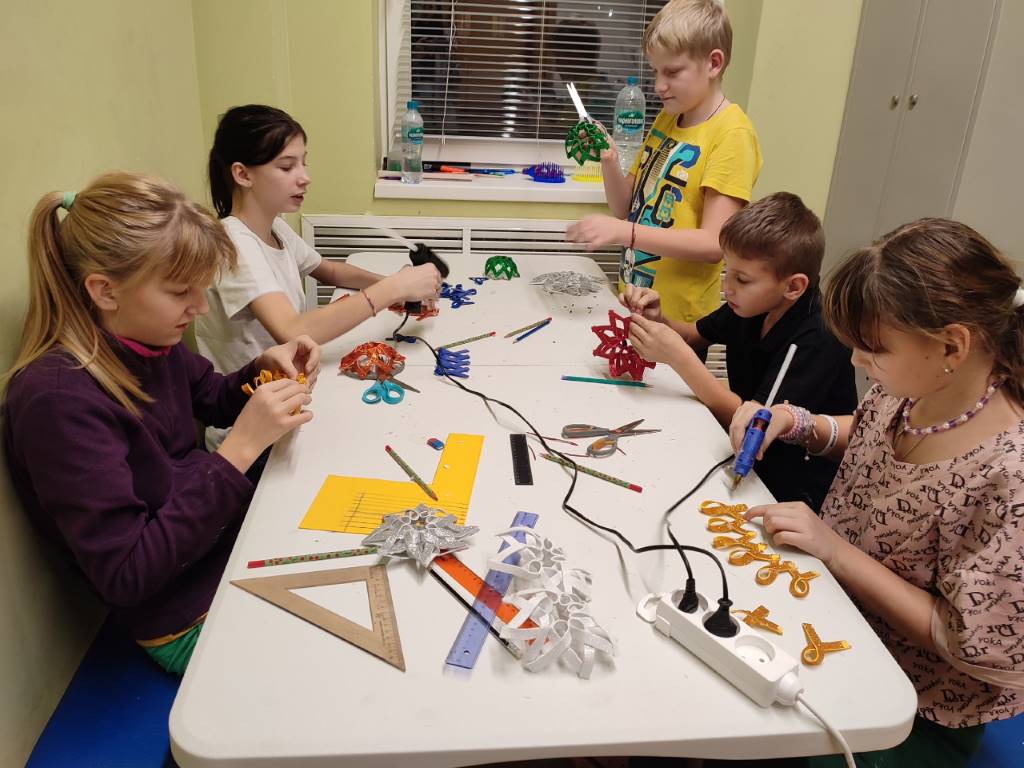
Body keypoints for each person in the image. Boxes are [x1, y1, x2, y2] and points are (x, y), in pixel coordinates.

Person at [730, 218, 1024, 766]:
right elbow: (867, 437)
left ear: (952, 345)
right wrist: (796, 422)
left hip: (911, 706)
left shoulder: (1011, 474)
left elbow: (965, 638)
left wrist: (835, 550)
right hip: (831, 618)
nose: (855, 362)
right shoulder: (912, 390)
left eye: (873, 349)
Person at [3, 172, 319, 675]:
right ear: (105, 291)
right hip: (184, 613)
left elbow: (213, 397)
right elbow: (126, 574)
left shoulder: (146, 339)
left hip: (227, 545)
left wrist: (262, 370)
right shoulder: (56, 401)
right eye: (179, 292)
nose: (199, 307)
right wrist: (239, 450)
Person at [622, 192, 857, 511]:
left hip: (794, 488)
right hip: (750, 461)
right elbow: (693, 336)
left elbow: (756, 426)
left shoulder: (816, 336)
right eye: (727, 271)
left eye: (742, 279)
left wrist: (679, 358)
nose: (727, 286)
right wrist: (659, 318)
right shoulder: (751, 304)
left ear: (793, 287)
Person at [567, 0, 762, 328]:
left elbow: (715, 243)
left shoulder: (732, 134)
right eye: (656, 71)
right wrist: (609, 157)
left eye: (672, 72)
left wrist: (626, 233)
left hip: (678, 324)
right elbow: (625, 207)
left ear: (713, 63)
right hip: (634, 306)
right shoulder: (667, 119)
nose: (659, 85)